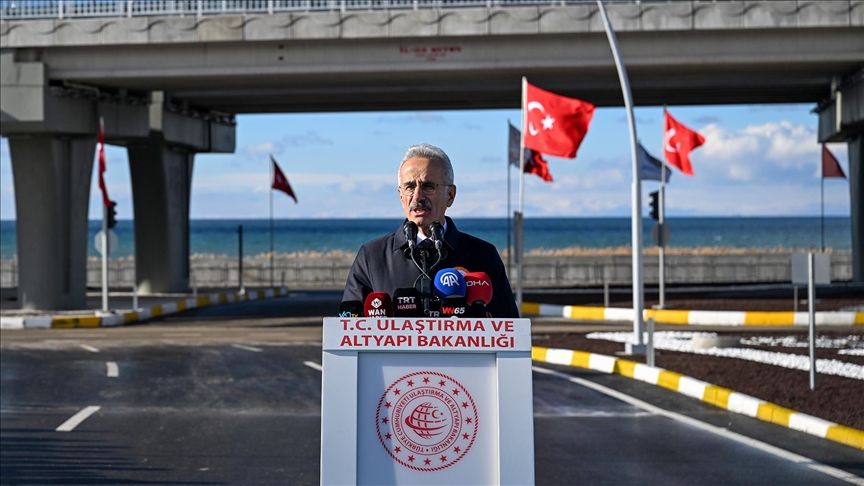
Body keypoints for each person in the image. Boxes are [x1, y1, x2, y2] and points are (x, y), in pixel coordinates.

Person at [343, 143, 520, 318]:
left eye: (428, 186)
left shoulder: (483, 255)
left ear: (450, 195)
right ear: (400, 196)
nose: (418, 196)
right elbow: (348, 329)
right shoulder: (372, 257)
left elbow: (508, 331)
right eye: (410, 187)